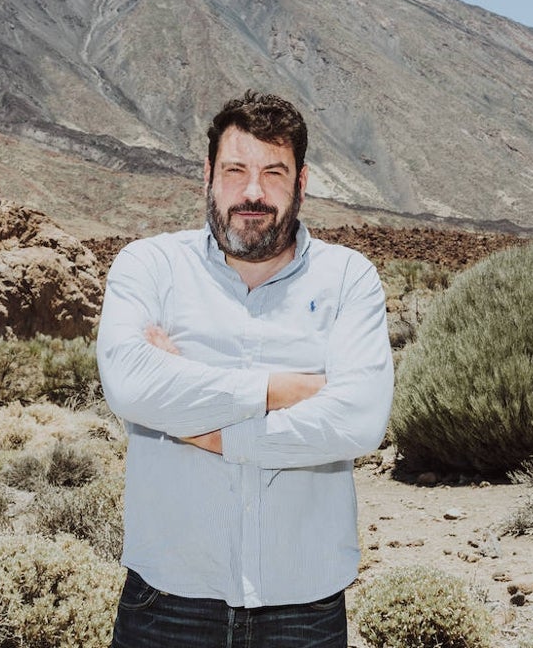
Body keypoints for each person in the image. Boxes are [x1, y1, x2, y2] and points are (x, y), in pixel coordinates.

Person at [96, 91, 394, 648]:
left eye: (273, 172)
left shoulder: (348, 279)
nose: (252, 192)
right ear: (208, 175)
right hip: (167, 601)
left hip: (303, 608)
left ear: (301, 183)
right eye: (235, 170)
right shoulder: (151, 266)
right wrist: (281, 390)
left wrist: (200, 425)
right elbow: (130, 384)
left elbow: (357, 421)